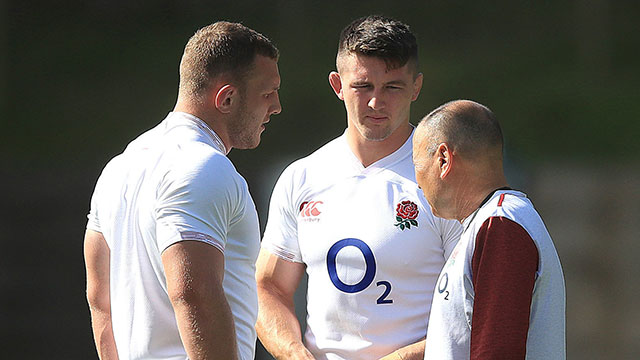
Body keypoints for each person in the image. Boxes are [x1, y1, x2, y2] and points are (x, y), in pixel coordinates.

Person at [255, 15, 462, 360]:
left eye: (393, 87)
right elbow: (268, 287)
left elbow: (473, 305)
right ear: (337, 84)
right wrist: (294, 353)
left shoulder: (444, 178)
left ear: (416, 87)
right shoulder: (302, 177)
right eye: (362, 86)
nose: (376, 103)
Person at [83, 21, 281, 360]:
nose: (276, 107)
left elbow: (100, 299)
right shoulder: (204, 166)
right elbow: (194, 293)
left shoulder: (119, 167)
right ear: (227, 98)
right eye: (267, 94)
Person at [413, 100, 566, 359]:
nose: (417, 184)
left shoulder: (500, 223)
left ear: (443, 159)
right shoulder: (492, 222)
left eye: (416, 165)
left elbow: (498, 351)